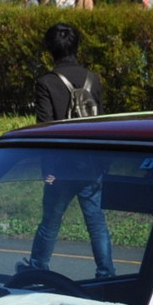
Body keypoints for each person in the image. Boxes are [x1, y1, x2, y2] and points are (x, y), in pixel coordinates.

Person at [25, 22, 114, 281]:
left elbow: (45, 130)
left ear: (50, 50)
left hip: (61, 167)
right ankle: (106, 274)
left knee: (50, 222)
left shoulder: (46, 83)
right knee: (97, 224)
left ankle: (37, 268)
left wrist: (48, 171)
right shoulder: (93, 80)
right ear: (77, 47)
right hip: (91, 165)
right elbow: (104, 124)